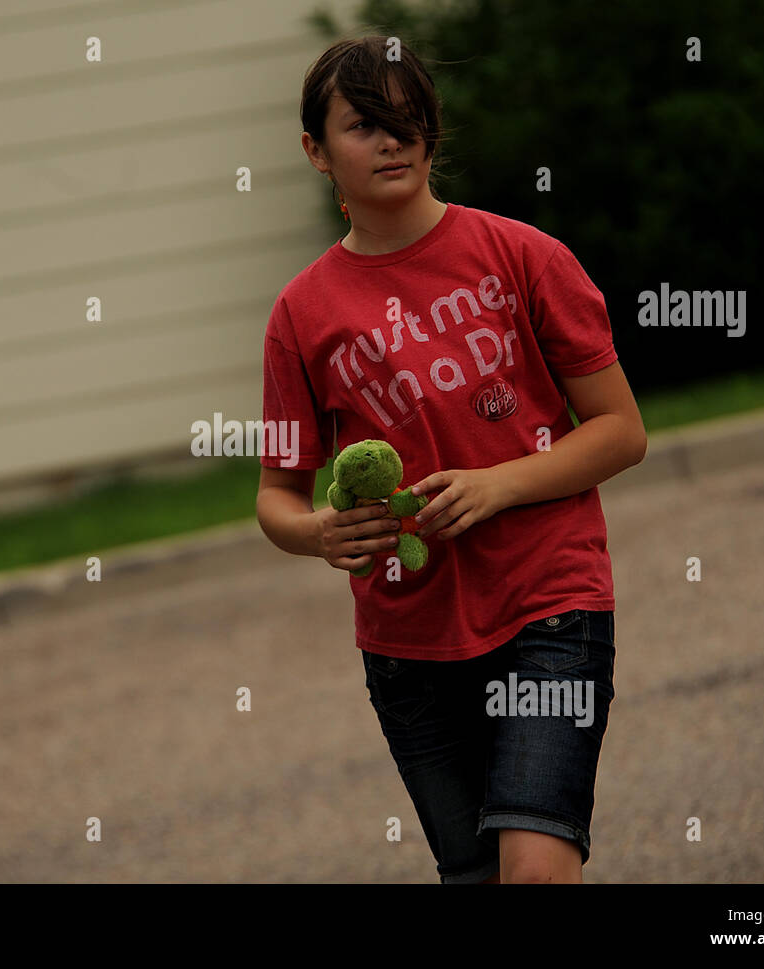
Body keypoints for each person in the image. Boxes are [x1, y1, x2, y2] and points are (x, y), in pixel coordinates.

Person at [255, 35, 648, 883]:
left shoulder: (524, 255)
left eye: (406, 119)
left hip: (551, 606)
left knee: (537, 868)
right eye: (363, 124)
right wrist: (318, 533)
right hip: (408, 648)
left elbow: (620, 429)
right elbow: (276, 495)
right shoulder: (299, 314)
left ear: (432, 132)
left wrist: (496, 485)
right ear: (315, 151)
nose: (391, 139)